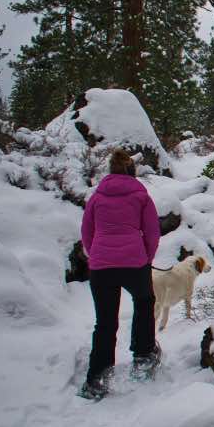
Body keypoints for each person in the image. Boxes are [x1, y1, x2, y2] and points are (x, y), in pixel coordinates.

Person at [78, 148, 161, 399]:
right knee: (144, 302)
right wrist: (146, 257)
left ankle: (97, 380)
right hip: (134, 262)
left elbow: (86, 230)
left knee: (105, 322)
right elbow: (152, 232)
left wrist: (95, 254)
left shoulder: (98, 196)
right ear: (130, 170)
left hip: (102, 266)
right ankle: (144, 356)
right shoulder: (140, 195)